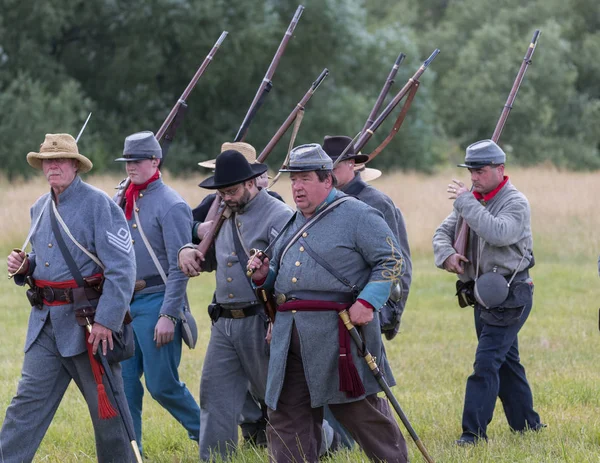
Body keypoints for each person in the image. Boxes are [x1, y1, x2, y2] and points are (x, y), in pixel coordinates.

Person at [248, 143, 408, 463]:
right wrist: (265, 275)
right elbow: (284, 278)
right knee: (286, 416)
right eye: (293, 179)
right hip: (290, 335)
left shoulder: (359, 214)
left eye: (305, 178)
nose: (296, 187)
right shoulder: (293, 222)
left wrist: (367, 301)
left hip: (338, 333)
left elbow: (391, 261)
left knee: (360, 413)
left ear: (327, 180)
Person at [1, 133, 137, 462]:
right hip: (45, 325)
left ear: (75, 165)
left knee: (109, 417)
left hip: (88, 326)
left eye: (60, 160)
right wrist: (25, 266)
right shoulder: (39, 207)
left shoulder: (98, 204)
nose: (53, 166)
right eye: (48, 161)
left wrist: (107, 320)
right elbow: (45, 261)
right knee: (24, 408)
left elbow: (122, 268)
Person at [178, 148, 293, 461]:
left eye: (231, 191)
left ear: (252, 183)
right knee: (214, 398)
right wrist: (186, 251)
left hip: (262, 320)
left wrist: (277, 319)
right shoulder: (223, 216)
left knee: (279, 403)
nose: (225, 198)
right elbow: (209, 259)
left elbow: (291, 273)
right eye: (221, 192)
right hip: (224, 323)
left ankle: (326, 441)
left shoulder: (278, 215)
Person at [432, 139, 544, 445]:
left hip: (511, 295)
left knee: (486, 363)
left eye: (480, 170)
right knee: (506, 361)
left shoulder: (515, 202)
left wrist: (467, 202)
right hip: (483, 295)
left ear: (500, 169)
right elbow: (442, 233)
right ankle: (527, 424)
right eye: (471, 171)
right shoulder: (473, 199)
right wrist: (448, 256)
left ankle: (472, 433)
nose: (474, 177)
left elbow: (498, 233)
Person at [114, 131, 200, 453]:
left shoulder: (172, 204)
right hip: (127, 303)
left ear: (155, 161)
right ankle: (131, 451)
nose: (131, 167)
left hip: (157, 299)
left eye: (136, 161)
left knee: (162, 385)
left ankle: (209, 436)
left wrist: (167, 314)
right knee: (124, 385)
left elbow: (180, 266)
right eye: (127, 161)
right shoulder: (123, 200)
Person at [324, 135, 412, 340]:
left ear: (351, 164)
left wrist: (393, 312)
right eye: (325, 169)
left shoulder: (377, 202)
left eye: (334, 167)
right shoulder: (322, 201)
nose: (329, 174)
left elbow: (397, 261)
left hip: (366, 304)